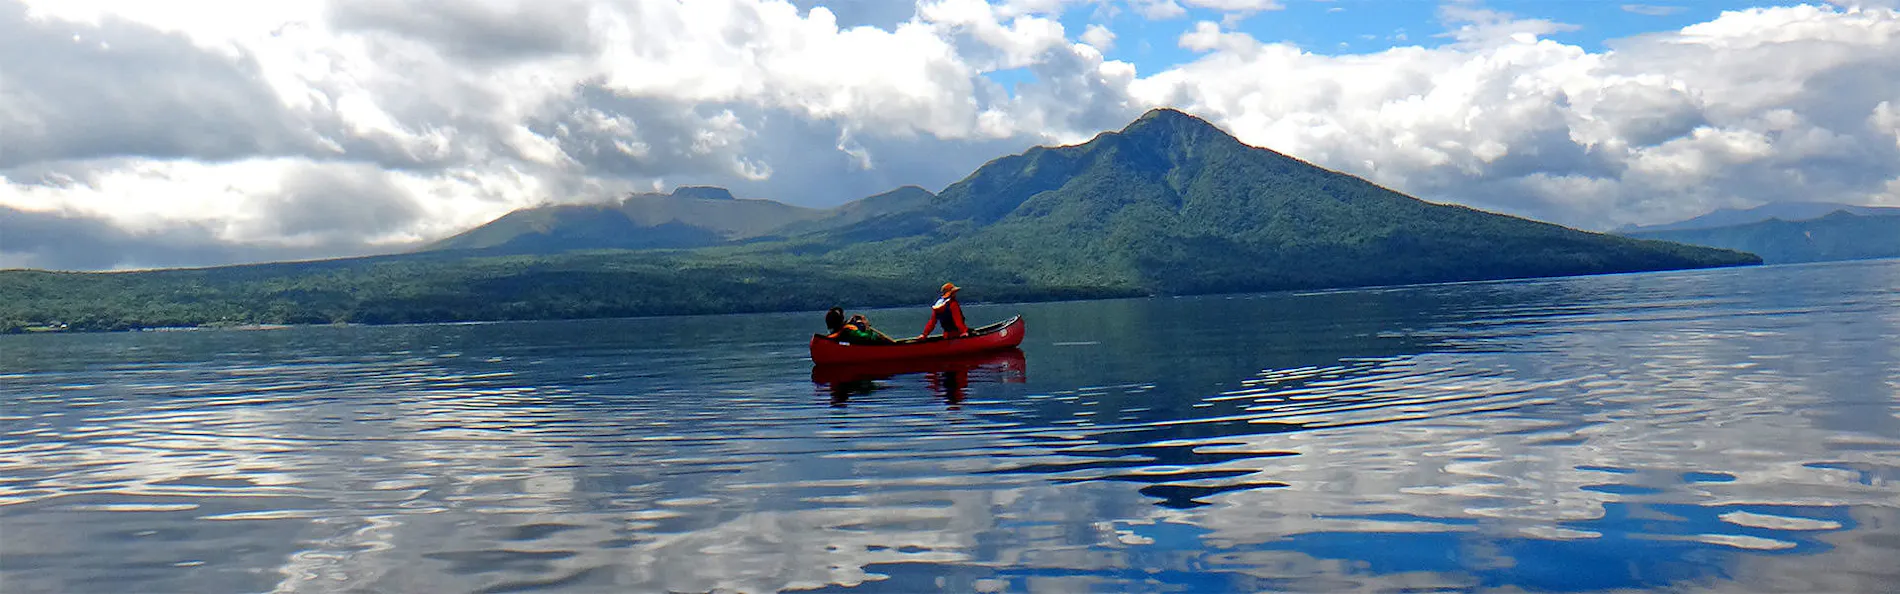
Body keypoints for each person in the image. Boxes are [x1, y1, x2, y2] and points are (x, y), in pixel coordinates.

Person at [829, 313, 896, 344]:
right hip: (872, 341)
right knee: (878, 337)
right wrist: (867, 326)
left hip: (872, 341)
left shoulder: (838, 330)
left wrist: (850, 321)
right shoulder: (848, 329)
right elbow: (866, 337)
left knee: (880, 338)